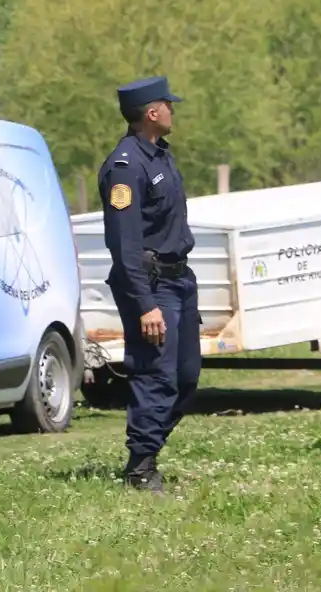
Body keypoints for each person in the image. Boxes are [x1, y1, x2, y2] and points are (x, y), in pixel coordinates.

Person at [97, 75, 199, 494]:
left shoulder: (159, 156)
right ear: (152, 113)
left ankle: (147, 449)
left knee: (186, 377)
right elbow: (125, 245)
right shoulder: (125, 167)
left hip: (179, 280)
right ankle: (141, 467)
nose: (174, 110)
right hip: (150, 286)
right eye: (168, 105)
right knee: (155, 375)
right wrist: (145, 304)